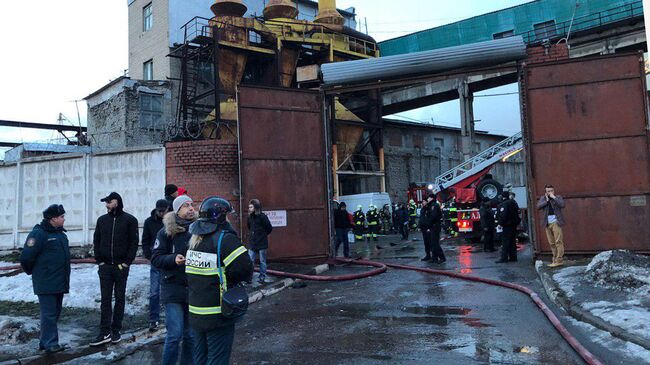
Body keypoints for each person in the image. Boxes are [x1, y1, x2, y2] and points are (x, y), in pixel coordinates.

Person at [186, 197, 253, 365]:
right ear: (222, 217)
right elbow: (245, 268)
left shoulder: (194, 241)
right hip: (218, 314)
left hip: (196, 313)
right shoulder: (225, 239)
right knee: (217, 360)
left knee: (200, 359)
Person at [19, 204, 70, 354]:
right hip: (46, 281)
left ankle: (45, 342)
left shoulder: (60, 234)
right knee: (48, 314)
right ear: (53, 219)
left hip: (59, 281)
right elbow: (26, 257)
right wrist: (37, 273)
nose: (64, 219)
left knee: (55, 313)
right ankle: (50, 343)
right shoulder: (39, 234)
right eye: (61, 217)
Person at [152, 195, 196, 365]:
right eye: (186, 206)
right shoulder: (165, 232)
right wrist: (173, 259)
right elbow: (156, 258)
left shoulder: (200, 230)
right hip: (172, 290)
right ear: (177, 210)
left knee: (191, 336)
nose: (191, 208)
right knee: (174, 335)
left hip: (193, 290)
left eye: (192, 205)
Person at [90, 192, 139, 346]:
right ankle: (104, 332)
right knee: (105, 300)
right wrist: (100, 261)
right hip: (105, 267)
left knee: (119, 298)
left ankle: (116, 330)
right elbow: (96, 240)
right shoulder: (102, 220)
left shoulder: (130, 220)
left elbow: (134, 242)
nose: (106, 205)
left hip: (120, 267)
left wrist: (126, 263)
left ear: (116, 202)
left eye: (108, 202)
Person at [142, 199, 169, 332]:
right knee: (154, 292)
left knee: (170, 290)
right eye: (160, 211)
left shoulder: (172, 221)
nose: (162, 214)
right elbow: (145, 241)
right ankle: (154, 319)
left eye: (164, 211)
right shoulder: (149, 222)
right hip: (156, 261)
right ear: (156, 210)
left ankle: (170, 318)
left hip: (170, 261)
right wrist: (150, 256)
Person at [537, 184, 566, 267]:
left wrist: (554, 197)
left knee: (558, 241)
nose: (550, 192)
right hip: (547, 223)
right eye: (548, 191)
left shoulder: (558, 197)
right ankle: (554, 259)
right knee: (551, 243)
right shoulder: (543, 199)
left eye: (551, 190)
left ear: (554, 190)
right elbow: (538, 206)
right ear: (545, 192)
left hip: (556, 222)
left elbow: (562, 205)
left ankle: (559, 260)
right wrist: (546, 201)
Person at [247, 199, 273, 284]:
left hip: (262, 243)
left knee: (262, 261)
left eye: (251, 207)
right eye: (249, 207)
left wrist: (262, 235)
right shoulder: (250, 217)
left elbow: (269, 228)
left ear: (256, 207)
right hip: (252, 243)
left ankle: (262, 277)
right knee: (250, 261)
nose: (249, 208)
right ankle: (249, 278)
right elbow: (249, 227)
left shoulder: (263, 217)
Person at [419, 194, 445, 263]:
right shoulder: (430, 206)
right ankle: (434, 258)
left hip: (435, 226)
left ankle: (442, 257)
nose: (428, 199)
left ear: (432, 198)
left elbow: (433, 216)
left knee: (435, 243)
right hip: (431, 226)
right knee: (432, 243)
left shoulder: (434, 205)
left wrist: (428, 224)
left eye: (429, 198)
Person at [495, 192, 520, 263]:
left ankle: (504, 258)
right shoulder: (514, 203)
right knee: (512, 241)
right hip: (513, 225)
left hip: (506, 226)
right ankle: (513, 257)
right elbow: (517, 212)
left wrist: (500, 224)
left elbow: (503, 215)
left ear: (503, 197)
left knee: (505, 242)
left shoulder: (503, 204)